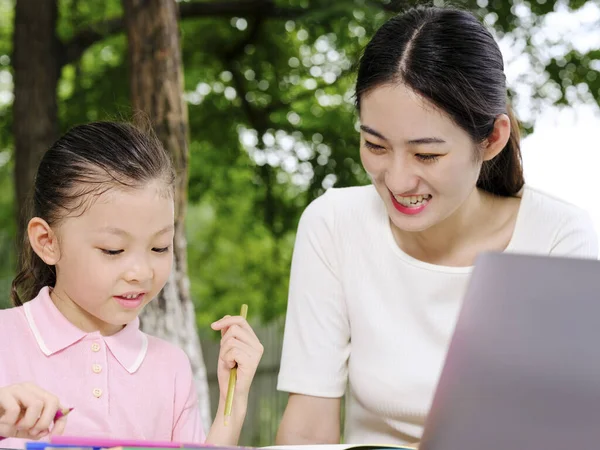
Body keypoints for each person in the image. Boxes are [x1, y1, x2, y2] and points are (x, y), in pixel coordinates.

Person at [275, 5, 599, 446]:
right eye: (375, 144)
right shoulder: (333, 224)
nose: (397, 179)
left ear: (492, 140)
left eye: (427, 155)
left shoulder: (558, 238)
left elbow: (560, 431)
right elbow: (309, 423)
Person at [0, 121, 263, 448]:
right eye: (113, 250)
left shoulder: (171, 368)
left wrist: (233, 404)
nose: (140, 272)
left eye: (159, 247)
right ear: (47, 241)